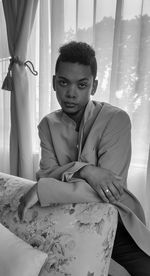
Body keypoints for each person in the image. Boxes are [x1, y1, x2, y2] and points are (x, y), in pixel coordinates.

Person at [18, 41, 150, 275]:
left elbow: (108, 192)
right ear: (53, 83)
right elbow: (46, 174)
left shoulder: (116, 120)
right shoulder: (47, 125)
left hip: (115, 222)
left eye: (82, 85)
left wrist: (45, 189)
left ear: (94, 86)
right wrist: (86, 170)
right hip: (66, 221)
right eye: (63, 83)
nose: (71, 93)